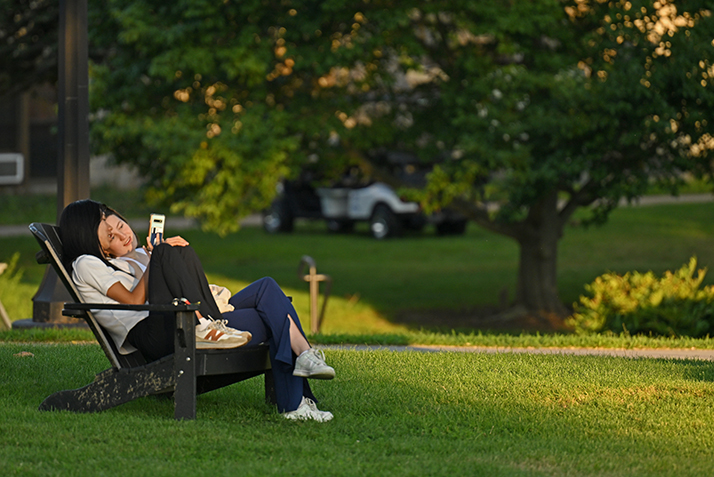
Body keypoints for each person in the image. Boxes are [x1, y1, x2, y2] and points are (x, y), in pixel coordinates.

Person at [59, 199, 335, 422]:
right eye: (111, 236)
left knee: (266, 289)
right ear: (93, 244)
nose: (122, 234)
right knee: (274, 313)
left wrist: (152, 255)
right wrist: (158, 257)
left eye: (120, 225)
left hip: (183, 320)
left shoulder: (135, 255)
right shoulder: (86, 263)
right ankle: (297, 394)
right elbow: (133, 299)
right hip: (155, 335)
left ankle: (301, 373)